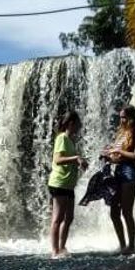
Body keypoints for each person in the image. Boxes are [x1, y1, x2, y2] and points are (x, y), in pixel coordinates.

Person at [102, 104, 135, 255]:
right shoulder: (120, 134)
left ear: (131, 118)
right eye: (120, 117)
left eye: (123, 117)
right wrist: (108, 156)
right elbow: (117, 159)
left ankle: (131, 246)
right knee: (114, 212)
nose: (121, 120)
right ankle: (122, 245)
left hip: (130, 175)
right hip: (119, 175)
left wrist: (118, 150)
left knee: (126, 212)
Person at [47, 110, 87, 257]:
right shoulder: (62, 138)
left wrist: (80, 163)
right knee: (57, 218)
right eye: (78, 124)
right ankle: (55, 251)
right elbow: (58, 160)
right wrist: (76, 159)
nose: (80, 127)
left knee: (69, 218)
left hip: (68, 185)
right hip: (59, 183)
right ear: (71, 124)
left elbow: (69, 160)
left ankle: (62, 247)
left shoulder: (70, 141)